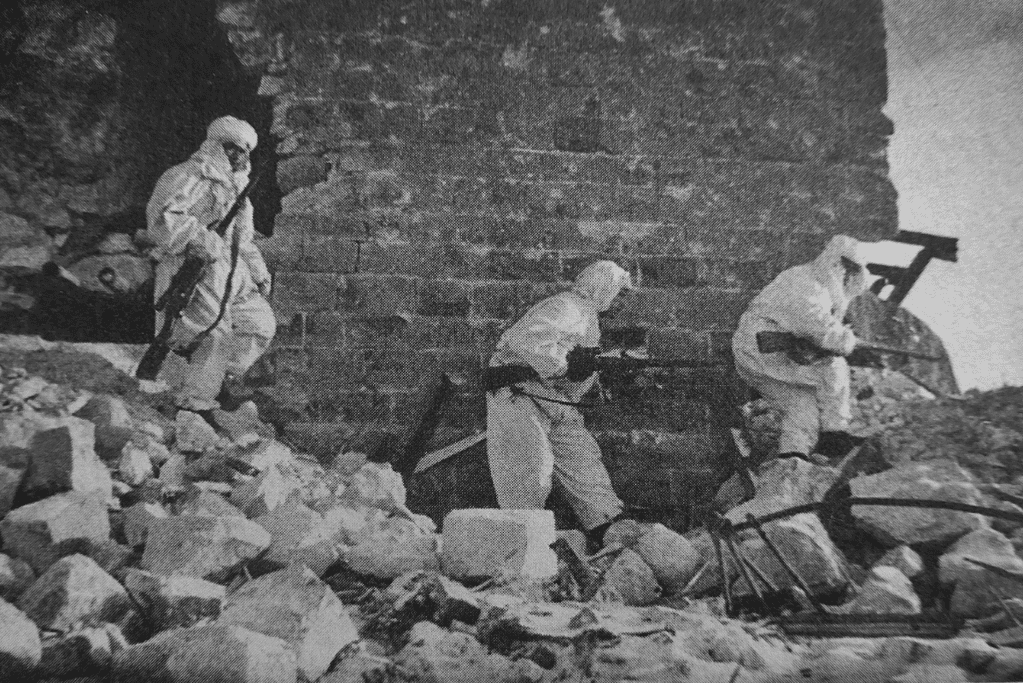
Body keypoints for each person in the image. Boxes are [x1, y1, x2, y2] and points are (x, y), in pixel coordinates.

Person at [484, 260, 633, 548]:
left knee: (582, 456)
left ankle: (608, 525)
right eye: (620, 293)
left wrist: (591, 368)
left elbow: (575, 369)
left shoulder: (588, 318)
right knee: (530, 469)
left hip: (552, 397)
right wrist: (567, 366)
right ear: (604, 287)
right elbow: (526, 343)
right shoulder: (565, 307)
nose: (620, 302)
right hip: (519, 393)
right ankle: (525, 546)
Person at [143, 115, 275, 419]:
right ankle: (194, 405)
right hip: (193, 265)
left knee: (259, 325)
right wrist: (203, 237)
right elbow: (162, 221)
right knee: (212, 335)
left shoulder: (239, 193)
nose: (238, 157)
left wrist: (258, 271)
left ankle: (218, 380)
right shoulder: (188, 176)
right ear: (215, 146)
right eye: (231, 148)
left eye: (243, 151)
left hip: (232, 272)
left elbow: (243, 240)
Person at [731, 235, 871, 462]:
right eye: (849, 270)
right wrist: (848, 341)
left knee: (802, 409)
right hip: (761, 353)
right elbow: (818, 327)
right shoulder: (804, 283)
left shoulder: (819, 285)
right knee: (834, 367)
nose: (849, 278)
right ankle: (835, 435)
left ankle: (791, 462)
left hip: (766, 358)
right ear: (838, 264)